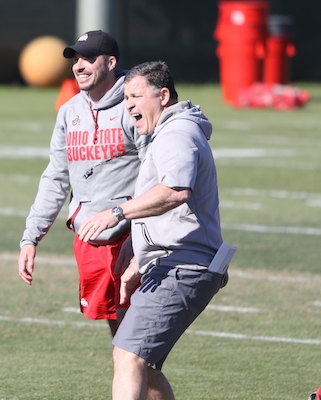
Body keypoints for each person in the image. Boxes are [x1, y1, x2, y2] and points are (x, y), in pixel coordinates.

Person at [76, 60, 228, 400]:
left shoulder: (177, 133)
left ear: (162, 96)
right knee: (142, 364)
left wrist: (115, 213)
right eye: (125, 97)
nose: (128, 104)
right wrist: (138, 261)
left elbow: (176, 191)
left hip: (184, 266)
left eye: (135, 96)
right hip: (171, 265)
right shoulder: (168, 132)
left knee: (127, 356)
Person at [18, 30, 144, 337]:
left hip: (132, 240)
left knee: (135, 344)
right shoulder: (69, 111)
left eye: (89, 59)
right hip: (91, 240)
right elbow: (56, 177)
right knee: (124, 339)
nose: (79, 66)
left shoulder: (135, 104)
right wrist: (30, 237)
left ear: (111, 62)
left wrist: (141, 237)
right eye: (76, 60)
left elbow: (159, 175)